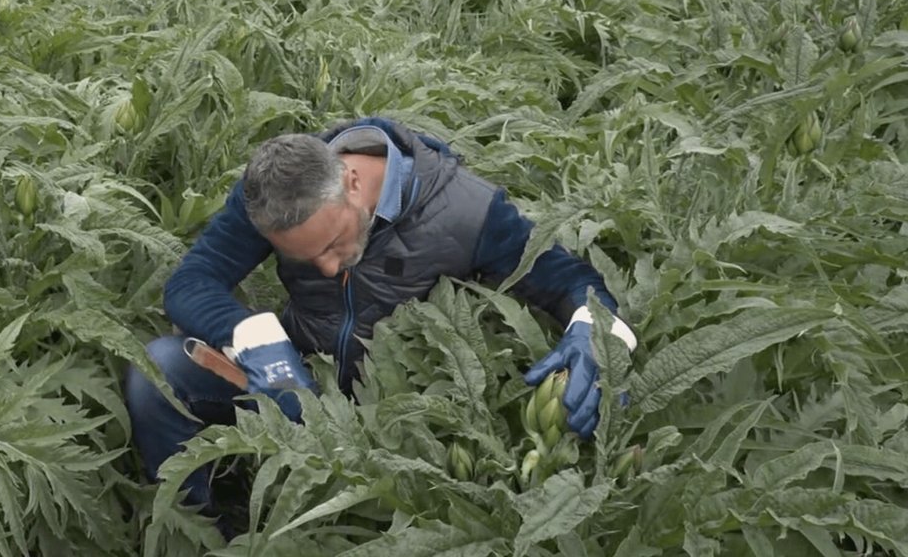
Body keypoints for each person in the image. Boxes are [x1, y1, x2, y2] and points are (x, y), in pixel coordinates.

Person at [124, 116, 637, 520]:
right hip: (301, 384)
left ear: (351, 182)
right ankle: (197, 527)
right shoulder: (276, 198)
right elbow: (191, 282)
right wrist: (257, 341)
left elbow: (572, 282)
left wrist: (597, 335)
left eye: (332, 244)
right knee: (159, 371)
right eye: (306, 258)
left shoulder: (469, 213)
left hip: (407, 423)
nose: (328, 267)